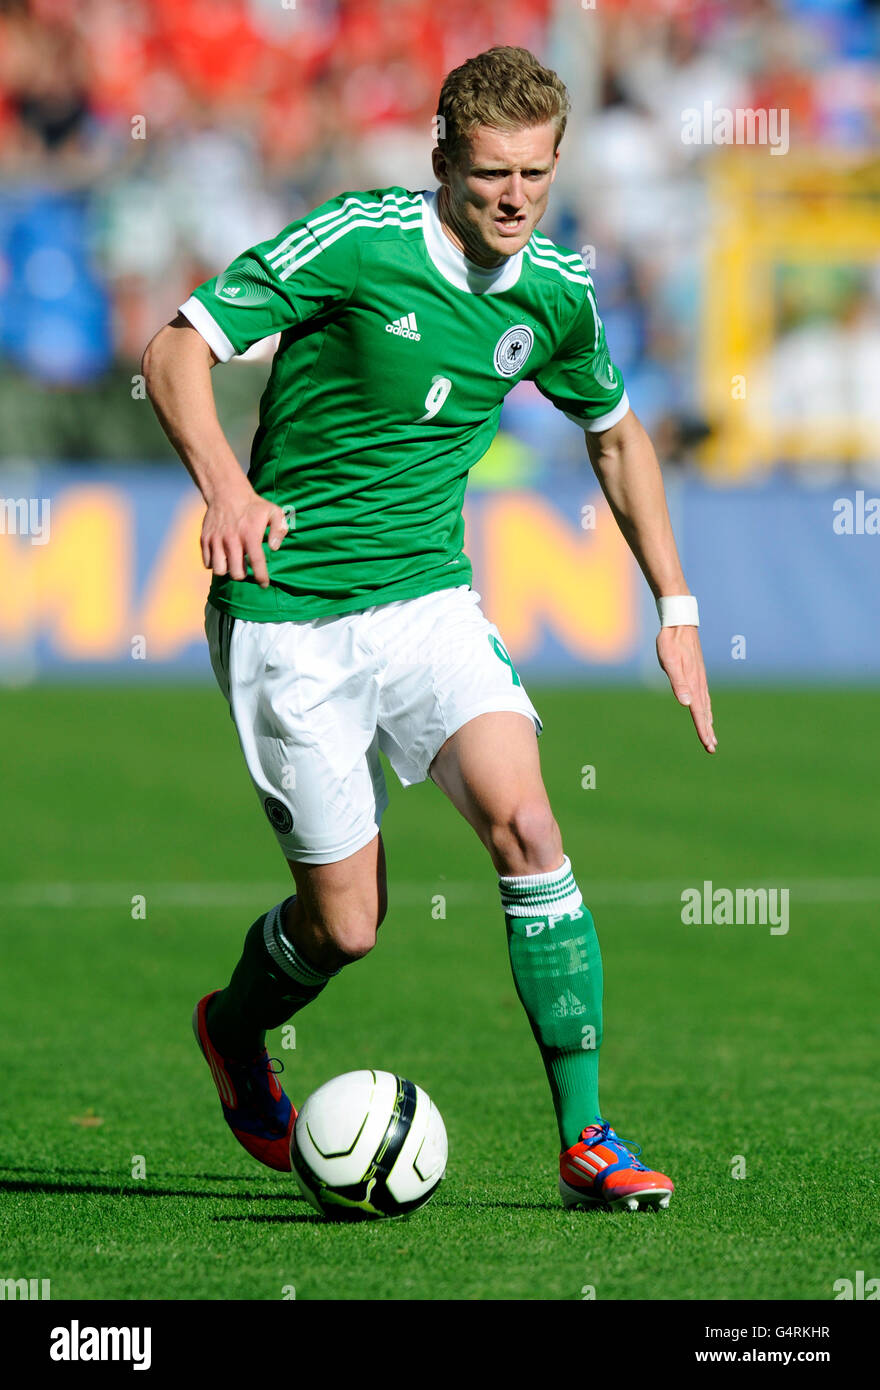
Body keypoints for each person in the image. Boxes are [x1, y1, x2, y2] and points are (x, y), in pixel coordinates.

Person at [142, 45, 715, 1213]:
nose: (513, 197)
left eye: (536, 176)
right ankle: (233, 1029)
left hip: (426, 605)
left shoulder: (555, 291)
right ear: (443, 160)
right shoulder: (358, 238)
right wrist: (225, 487)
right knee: (347, 925)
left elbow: (614, 433)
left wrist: (677, 607)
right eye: (492, 173)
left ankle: (586, 1138)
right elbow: (175, 348)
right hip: (286, 615)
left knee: (529, 823)